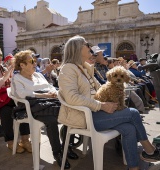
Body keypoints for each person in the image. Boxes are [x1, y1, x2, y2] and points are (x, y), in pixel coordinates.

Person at [58, 35, 160, 170]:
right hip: (85, 117)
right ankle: (150, 151)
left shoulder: (84, 68)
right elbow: (71, 97)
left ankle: (134, 167)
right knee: (133, 113)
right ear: (76, 48)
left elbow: (100, 89)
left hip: (96, 112)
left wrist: (114, 90)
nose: (89, 46)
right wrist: (102, 105)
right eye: (86, 44)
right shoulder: (68, 68)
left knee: (129, 128)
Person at [10, 50, 78, 169]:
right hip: (33, 107)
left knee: (70, 111)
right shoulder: (17, 78)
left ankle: (67, 147)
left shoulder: (38, 75)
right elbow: (21, 94)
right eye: (32, 61)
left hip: (49, 103)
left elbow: (50, 87)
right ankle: (58, 153)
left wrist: (54, 93)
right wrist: (44, 95)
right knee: (52, 121)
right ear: (22, 65)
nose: (35, 63)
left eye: (35, 61)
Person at [0, 44, 31, 153]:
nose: (0, 57)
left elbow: (12, 84)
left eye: (1, 55)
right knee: (6, 111)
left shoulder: (3, 68)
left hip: (8, 98)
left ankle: (25, 139)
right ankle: (11, 142)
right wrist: (5, 77)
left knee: (23, 105)